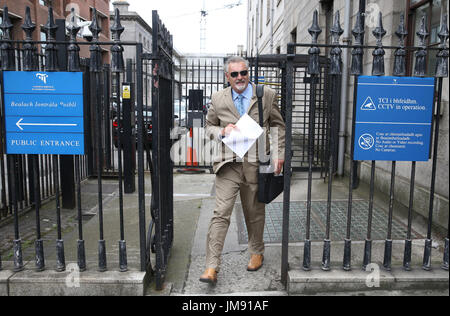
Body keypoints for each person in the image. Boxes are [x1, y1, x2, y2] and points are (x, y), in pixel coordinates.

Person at [200, 56, 285, 284]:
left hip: (256, 164)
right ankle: (211, 266)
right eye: (235, 74)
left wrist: (278, 153)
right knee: (221, 213)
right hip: (228, 164)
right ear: (227, 77)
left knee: (254, 211)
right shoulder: (218, 98)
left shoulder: (265, 95)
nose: (240, 78)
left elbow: (278, 125)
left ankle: (256, 251)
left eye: (243, 72)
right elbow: (208, 127)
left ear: (249, 73)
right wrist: (221, 132)